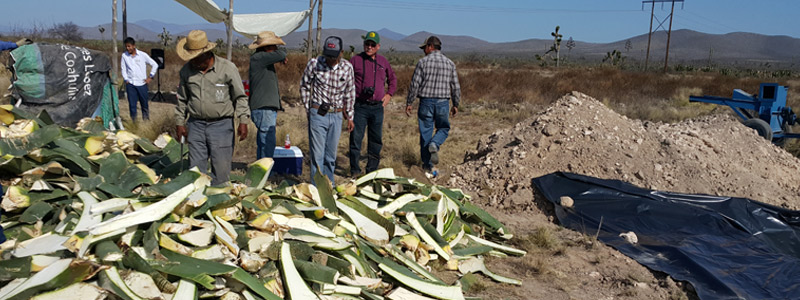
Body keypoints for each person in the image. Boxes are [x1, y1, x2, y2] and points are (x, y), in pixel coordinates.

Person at [174, 30, 249, 186]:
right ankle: (198, 204)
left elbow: (240, 97)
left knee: (221, 172)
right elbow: (182, 99)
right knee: (196, 172)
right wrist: (180, 122)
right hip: (196, 125)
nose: (192, 62)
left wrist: (243, 120)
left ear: (206, 54)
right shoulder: (186, 71)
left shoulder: (227, 69)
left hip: (221, 126)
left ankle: (218, 203)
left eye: (195, 58)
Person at [300, 36, 355, 184]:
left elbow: (350, 93)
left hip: (336, 115)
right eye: (327, 55)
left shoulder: (347, 68)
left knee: (330, 156)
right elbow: (304, 86)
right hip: (318, 113)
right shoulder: (314, 64)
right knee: (317, 156)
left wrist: (350, 116)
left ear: (341, 52)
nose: (330, 59)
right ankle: (317, 188)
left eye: (333, 56)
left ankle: (329, 186)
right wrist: (308, 108)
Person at [405, 36, 461, 173]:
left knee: (425, 133)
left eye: (424, 47)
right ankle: (435, 144)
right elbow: (456, 86)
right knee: (443, 128)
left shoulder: (422, 63)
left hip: (426, 102)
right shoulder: (450, 64)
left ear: (430, 46)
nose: (424, 50)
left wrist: (409, 102)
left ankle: (427, 165)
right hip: (443, 102)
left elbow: (414, 85)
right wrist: (456, 104)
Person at [348, 31, 397, 177]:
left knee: (375, 140)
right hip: (360, 106)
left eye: (372, 45)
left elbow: (393, 79)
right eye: (367, 44)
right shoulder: (355, 60)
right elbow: (345, 80)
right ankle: (355, 171)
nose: (369, 47)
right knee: (356, 139)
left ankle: (372, 171)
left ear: (378, 46)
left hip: (377, 107)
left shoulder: (383, 62)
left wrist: (389, 94)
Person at [248, 31, 287, 160]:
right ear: (266, 47)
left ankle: (262, 168)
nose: (276, 48)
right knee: (267, 142)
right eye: (274, 46)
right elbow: (282, 54)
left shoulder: (261, 59)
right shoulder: (260, 58)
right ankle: (266, 172)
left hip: (264, 107)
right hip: (264, 107)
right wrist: (280, 56)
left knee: (264, 141)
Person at [120, 37, 159, 121]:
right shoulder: (124, 56)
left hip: (142, 84)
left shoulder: (142, 55)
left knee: (144, 104)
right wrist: (126, 80)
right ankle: (134, 124)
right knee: (132, 106)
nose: (128, 48)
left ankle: (146, 122)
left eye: (129, 46)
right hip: (131, 84)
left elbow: (155, 65)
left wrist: (150, 77)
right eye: (126, 47)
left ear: (134, 46)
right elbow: (123, 69)